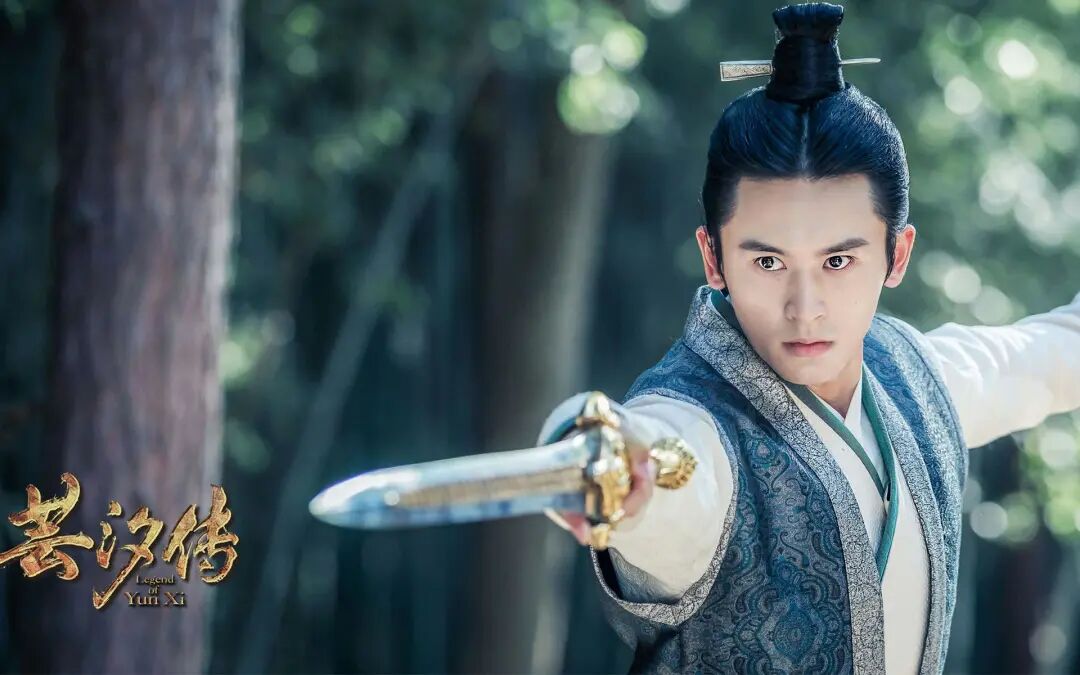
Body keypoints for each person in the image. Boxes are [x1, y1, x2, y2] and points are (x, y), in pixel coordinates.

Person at [539, 3, 1080, 673]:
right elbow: (669, 462)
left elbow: (1048, 356)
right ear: (714, 258)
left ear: (897, 254)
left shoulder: (917, 378)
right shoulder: (694, 424)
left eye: (838, 260)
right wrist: (609, 449)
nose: (805, 308)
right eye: (768, 262)